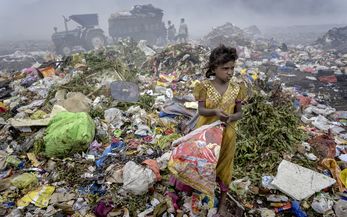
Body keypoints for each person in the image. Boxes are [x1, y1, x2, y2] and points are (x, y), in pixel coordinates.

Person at [168, 45, 247, 216]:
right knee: (201, 166)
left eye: (232, 68)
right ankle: (197, 195)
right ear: (213, 68)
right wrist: (215, 112)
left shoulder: (237, 88)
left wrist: (230, 118)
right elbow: (202, 111)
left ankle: (222, 205)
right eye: (225, 68)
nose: (230, 72)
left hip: (227, 136)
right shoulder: (203, 86)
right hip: (205, 135)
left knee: (225, 168)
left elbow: (239, 113)